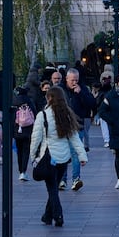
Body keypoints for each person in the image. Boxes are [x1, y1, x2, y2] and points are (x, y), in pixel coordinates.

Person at [30, 87, 88, 227]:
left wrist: (33, 156)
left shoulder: (43, 115)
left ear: (49, 98)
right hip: (64, 157)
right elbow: (74, 137)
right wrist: (82, 155)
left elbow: (36, 138)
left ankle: (58, 215)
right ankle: (47, 216)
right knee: (54, 186)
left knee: (52, 188)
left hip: (49, 155)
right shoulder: (67, 114)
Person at [61, 68, 96, 191]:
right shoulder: (61, 89)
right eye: (72, 80)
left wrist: (80, 93)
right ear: (66, 79)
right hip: (63, 125)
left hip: (78, 125)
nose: (74, 82)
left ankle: (76, 179)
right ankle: (62, 179)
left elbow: (91, 103)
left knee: (75, 152)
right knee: (64, 153)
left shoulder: (82, 88)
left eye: (76, 79)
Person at [13, 85, 37, 181]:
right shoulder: (29, 101)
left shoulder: (14, 101)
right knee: (26, 150)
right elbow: (35, 114)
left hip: (17, 130)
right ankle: (23, 171)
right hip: (28, 130)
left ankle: (20, 170)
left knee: (19, 150)